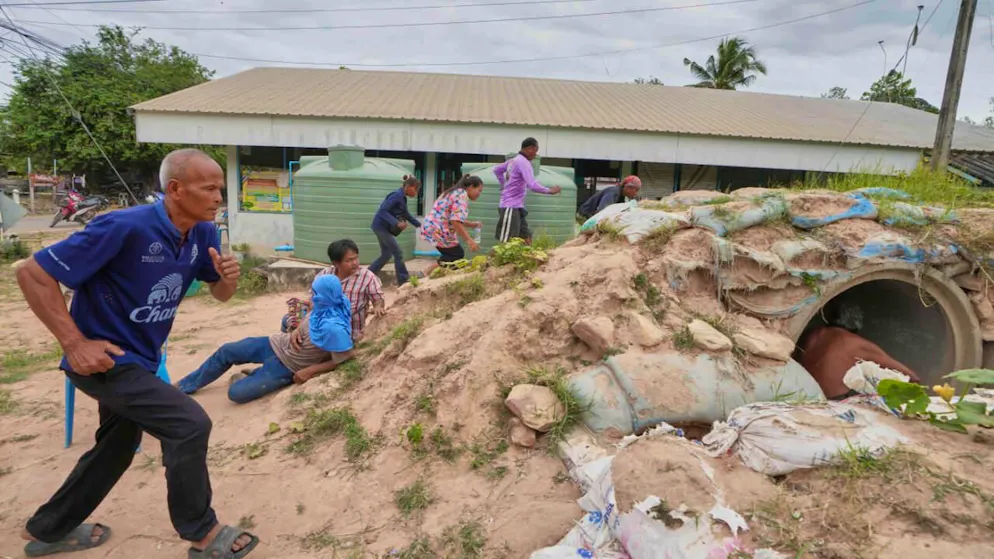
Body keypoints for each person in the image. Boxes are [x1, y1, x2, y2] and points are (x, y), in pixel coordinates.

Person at [15, 148, 258, 558]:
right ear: (176, 189)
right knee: (188, 423)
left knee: (116, 448)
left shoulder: (202, 232)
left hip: (141, 360)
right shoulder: (123, 226)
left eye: (221, 188)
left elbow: (220, 295)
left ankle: (48, 529)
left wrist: (227, 279)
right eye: (210, 188)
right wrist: (74, 344)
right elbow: (31, 272)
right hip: (103, 361)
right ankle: (202, 533)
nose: (219, 197)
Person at [177, 275, 355, 403]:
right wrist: (295, 330)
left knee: (236, 394)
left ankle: (253, 376)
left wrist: (310, 371)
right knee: (227, 350)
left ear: (325, 294)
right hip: (275, 343)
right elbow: (307, 313)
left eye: (315, 292)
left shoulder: (335, 328)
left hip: (288, 366)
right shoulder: (326, 302)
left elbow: (343, 359)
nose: (312, 296)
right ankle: (184, 386)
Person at [798, 302, 922, 400]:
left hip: (807, 394)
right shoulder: (857, 343)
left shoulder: (815, 334)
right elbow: (911, 376)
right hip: (836, 400)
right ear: (858, 323)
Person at [280, 239, 385, 343]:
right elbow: (313, 299)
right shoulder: (325, 274)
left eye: (356, 258)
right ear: (336, 263)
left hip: (346, 330)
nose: (355, 263)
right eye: (349, 260)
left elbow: (378, 299)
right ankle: (290, 346)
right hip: (321, 323)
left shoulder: (368, 277)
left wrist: (378, 307)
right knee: (288, 320)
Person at [492, 137, 562, 244]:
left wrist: (504, 184)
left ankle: (528, 258)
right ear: (530, 148)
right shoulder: (523, 163)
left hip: (518, 207)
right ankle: (495, 260)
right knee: (507, 242)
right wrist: (549, 191)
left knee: (526, 238)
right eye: (535, 151)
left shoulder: (513, 160)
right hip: (510, 207)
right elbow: (532, 184)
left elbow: (497, 170)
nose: (535, 155)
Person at [419, 174, 485, 273]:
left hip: (433, 226)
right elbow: (455, 221)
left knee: (453, 255)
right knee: (456, 254)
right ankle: (427, 271)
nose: (479, 194)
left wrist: (472, 224)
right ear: (471, 187)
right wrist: (469, 240)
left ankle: (433, 273)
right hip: (438, 228)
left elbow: (453, 218)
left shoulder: (455, 192)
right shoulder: (461, 196)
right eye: (479, 190)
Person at [368, 175, 422, 286]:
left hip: (382, 228)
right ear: (408, 186)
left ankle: (368, 275)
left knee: (386, 254)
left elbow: (406, 214)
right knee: (398, 252)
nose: (416, 193)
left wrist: (420, 226)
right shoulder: (397, 196)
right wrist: (396, 222)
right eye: (416, 189)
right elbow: (382, 211)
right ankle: (403, 280)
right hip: (381, 227)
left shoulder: (402, 198)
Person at [578, 175, 643, 220]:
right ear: (628, 187)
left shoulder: (621, 196)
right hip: (584, 216)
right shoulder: (613, 192)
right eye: (636, 190)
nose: (636, 193)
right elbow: (603, 211)